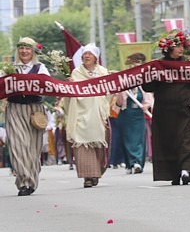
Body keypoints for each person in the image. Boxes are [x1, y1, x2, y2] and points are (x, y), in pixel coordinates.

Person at [142, 31, 190, 185]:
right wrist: (148, 73)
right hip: (166, 113)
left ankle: (187, 170)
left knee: (189, 139)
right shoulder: (158, 65)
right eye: (177, 46)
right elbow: (148, 87)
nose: (181, 49)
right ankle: (174, 173)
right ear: (168, 48)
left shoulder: (189, 63)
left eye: (182, 46)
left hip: (188, 108)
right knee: (169, 142)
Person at [4, 37, 53, 196]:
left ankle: (31, 179)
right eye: (21, 48)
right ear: (18, 51)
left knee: (32, 148)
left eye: (27, 48)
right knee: (17, 146)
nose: (24, 51)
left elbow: (48, 85)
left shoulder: (40, 68)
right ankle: (24, 182)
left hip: (35, 110)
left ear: (33, 51)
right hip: (15, 108)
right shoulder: (10, 68)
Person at [61, 44, 112, 188]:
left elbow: (109, 92)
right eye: (84, 54)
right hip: (80, 114)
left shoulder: (103, 72)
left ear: (96, 57)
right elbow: (69, 96)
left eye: (90, 54)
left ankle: (96, 173)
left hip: (98, 114)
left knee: (99, 144)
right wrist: (69, 86)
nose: (86, 56)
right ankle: (87, 177)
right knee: (82, 144)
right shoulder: (76, 73)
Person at [115, 87, 152, 174]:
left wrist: (146, 105)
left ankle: (137, 162)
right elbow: (118, 104)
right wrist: (120, 92)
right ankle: (129, 164)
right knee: (126, 140)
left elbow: (149, 101)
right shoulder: (124, 89)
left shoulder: (142, 88)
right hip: (126, 115)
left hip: (138, 116)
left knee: (138, 139)